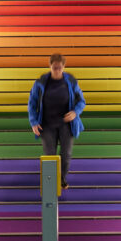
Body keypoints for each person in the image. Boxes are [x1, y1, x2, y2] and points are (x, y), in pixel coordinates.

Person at [28, 53, 86, 190]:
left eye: (60, 68)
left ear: (64, 67)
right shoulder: (41, 82)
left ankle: (61, 179)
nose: (57, 70)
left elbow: (81, 101)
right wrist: (33, 121)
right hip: (47, 125)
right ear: (50, 66)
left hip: (67, 124)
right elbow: (32, 103)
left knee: (66, 154)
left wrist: (75, 112)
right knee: (50, 155)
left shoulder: (71, 81)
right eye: (54, 68)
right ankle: (50, 183)